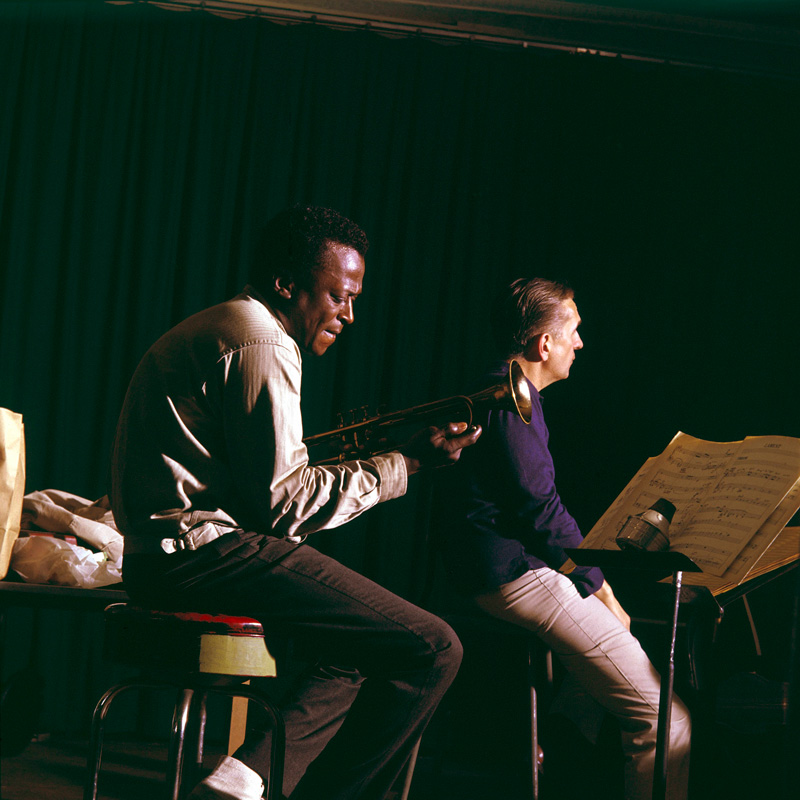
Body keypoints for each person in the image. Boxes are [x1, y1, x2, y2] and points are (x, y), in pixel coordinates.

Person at [110, 205, 481, 800]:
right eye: (338, 296)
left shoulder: (226, 324)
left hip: (165, 557)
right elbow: (285, 507)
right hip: (204, 555)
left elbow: (263, 493)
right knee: (434, 648)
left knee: (361, 642)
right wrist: (403, 465)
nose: (350, 315)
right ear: (287, 284)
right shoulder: (262, 342)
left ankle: (243, 778)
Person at [440, 278, 691, 800]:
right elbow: (542, 513)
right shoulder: (511, 400)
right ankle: (569, 740)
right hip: (512, 576)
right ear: (543, 344)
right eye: (573, 331)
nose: (580, 343)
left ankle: (564, 738)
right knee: (666, 718)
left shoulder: (501, 388)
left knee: (600, 659)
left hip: (498, 571)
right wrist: (601, 588)